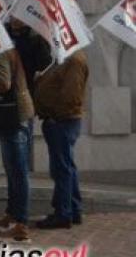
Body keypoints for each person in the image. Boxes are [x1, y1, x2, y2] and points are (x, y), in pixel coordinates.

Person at [0, 49, 35, 243]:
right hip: (8, 116)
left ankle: (21, 224)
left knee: (18, 171)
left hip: (13, 116)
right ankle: (12, 215)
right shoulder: (0, 49)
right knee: (12, 170)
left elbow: (2, 82)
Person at [33, 51, 89, 230]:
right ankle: (73, 209)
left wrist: (54, 114)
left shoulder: (74, 60)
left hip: (62, 121)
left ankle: (63, 213)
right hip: (58, 120)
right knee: (66, 166)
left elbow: (71, 96)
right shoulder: (63, 58)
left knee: (62, 168)